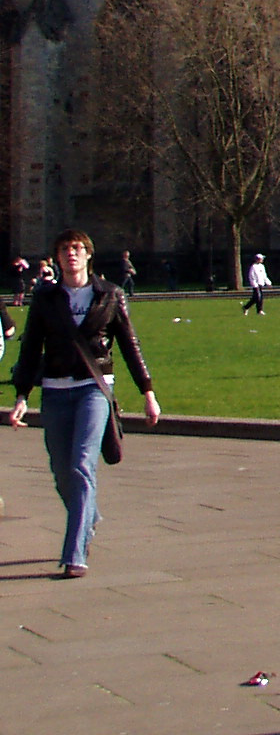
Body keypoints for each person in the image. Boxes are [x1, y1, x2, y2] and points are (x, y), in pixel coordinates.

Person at [9, 228, 163, 577]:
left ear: (88, 254)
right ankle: (88, 516)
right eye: (64, 249)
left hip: (94, 389)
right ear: (58, 257)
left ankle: (75, 552)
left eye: (77, 248)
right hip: (55, 390)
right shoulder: (46, 298)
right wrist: (21, 395)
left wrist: (148, 392)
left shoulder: (110, 294)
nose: (71, 254)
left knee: (81, 464)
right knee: (62, 471)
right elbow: (31, 347)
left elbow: (129, 345)